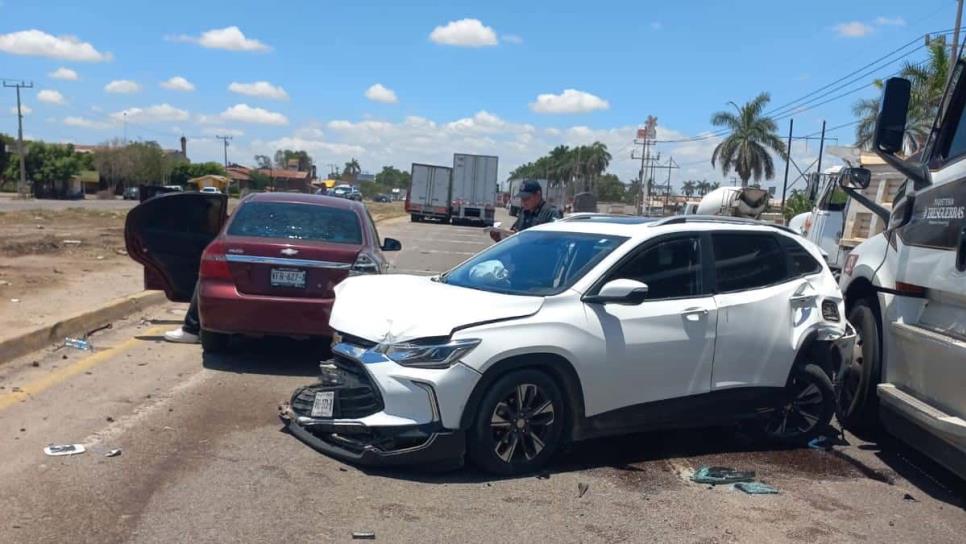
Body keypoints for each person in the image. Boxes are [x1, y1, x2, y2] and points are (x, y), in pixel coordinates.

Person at [490, 181, 561, 242]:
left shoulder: (550, 213)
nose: (523, 201)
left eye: (526, 198)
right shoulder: (524, 213)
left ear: (538, 195)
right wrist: (499, 237)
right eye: (522, 198)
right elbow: (515, 233)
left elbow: (555, 240)